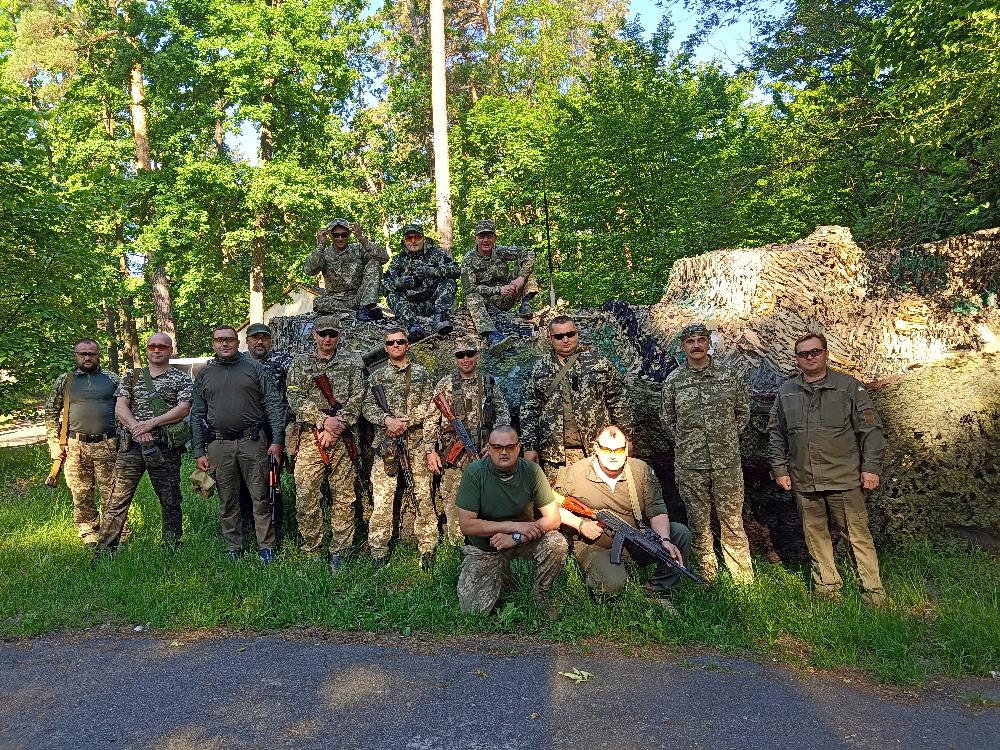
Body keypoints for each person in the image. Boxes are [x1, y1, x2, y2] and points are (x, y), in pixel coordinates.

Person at [767, 332, 887, 606]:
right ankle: (827, 587)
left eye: (815, 352)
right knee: (815, 536)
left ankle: (873, 593)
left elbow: (871, 429)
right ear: (797, 359)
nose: (810, 357)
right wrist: (779, 469)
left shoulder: (848, 387)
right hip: (804, 479)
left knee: (856, 537)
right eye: (803, 353)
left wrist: (871, 467)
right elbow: (776, 434)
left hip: (843, 478)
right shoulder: (787, 391)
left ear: (825, 353)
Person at [556, 426, 692, 608]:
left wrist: (665, 540)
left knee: (680, 533)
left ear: (627, 448)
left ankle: (657, 592)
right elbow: (551, 506)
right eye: (606, 449)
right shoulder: (576, 474)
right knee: (612, 586)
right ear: (596, 448)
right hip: (596, 546)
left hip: (636, 539)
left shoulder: (640, 470)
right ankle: (607, 578)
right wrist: (580, 524)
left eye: (619, 450)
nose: (613, 455)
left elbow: (656, 509)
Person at [660, 323, 754, 585]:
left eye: (701, 340)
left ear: (708, 342)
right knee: (698, 524)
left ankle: (742, 581)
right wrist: (690, 443)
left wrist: (724, 439)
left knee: (733, 523)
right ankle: (706, 577)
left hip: (727, 464)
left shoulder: (728, 376)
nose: (697, 345)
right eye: (691, 341)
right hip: (691, 465)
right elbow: (668, 421)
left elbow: (742, 413)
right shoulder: (674, 382)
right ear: (683, 346)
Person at [191, 325, 285, 564]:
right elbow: (197, 413)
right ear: (213, 344)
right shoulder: (205, 374)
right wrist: (198, 450)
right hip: (218, 444)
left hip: (252, 442)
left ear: (238, 342)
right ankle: (234, 545)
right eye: (219, 340)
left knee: (260, 496)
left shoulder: (255, 368)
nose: (225, 344)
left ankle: (266, 546)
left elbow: (273, 405)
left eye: (229, 340)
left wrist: (276, 441)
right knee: (227, 498)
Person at [456, 426, 568, 620]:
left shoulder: (532, 471)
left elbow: (553, 518)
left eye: (510, 446)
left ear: (519, 447)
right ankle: (505, 575)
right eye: (498, 447)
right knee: (472, 612)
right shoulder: (475, 473)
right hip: (485, 547)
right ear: (488, 449)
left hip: (522, 540)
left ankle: (539, 595)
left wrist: (515, 537)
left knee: (556, 542)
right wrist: (513, 526)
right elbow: (467, 525)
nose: (504, 452)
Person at [96, 333, 193, 552]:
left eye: (162, 346)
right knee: (116, 500)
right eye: (152, 346)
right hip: (132, 447)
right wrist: (136, 429)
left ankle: (172, 549)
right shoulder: (132, 375)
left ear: (170, 350)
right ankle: (104, 551)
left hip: (164, 448)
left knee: (170, 500)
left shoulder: (181, 378)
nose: (156, 350)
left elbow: (183, 409)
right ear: (147, 349)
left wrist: (150, 424)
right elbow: (121, 407)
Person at [285, 314, 366, 574]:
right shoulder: (300, 363)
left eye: (332, 333)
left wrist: (336, 425)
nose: (328, 338)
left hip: (342, 438)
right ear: (314, 335)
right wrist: (322, 421)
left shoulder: (352, 362)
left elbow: (359, 396)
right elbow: (294, 396)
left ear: (339, 336)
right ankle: (312, 549)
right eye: (323, 334)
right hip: (311, 438)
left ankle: (340, 551)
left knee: (344, 497)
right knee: (306, 496)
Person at [521, 315, 633, 485]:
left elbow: (619, 401)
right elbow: (529, 410)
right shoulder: (539, 369)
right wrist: (529, 447)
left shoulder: (599, 363)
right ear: (550, 338)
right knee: (560, 505)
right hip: (556, 456)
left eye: (570, 334)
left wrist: (627, 438)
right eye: (559, 336)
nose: (565, 340)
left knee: (600, 501)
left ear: (577, 334)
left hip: (598, 451)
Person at [361, 327, 438, 569]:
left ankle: (427, 547)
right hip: (387, 445)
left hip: (416, 443)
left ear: (407, 345)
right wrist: (387, 421)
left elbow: (431, 405)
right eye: (391, 342)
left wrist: (405, 421)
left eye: (400, 341)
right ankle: (378, 549)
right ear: (385, 348)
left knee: (422, 497)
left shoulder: (423, 374)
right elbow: (367, 407)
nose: (396, 345)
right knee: (382, 499)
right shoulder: (376, 377)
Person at [424, 335, 511, 542]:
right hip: (454, 454)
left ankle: (487, 543)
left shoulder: (489, 383)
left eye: (470, 354)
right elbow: (431, 419)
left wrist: (496, 446)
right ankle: (456, 545)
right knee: (454, 500)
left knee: (488, 499)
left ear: (477, 356)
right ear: (455, 358)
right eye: (460, 355)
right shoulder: (445, 384)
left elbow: (503, 415)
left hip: (484, 453)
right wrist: (430, 450)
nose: (465, 359)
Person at [44, 339, 120, 547]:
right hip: (74, 445)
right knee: (81, 492)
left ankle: (116, 532)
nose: (87, 357)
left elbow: (125, 408)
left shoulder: (112, 379)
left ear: (98, 355)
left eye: (92, 354)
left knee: (112, 491)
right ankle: (88, 531)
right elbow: (51, 411)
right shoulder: (65, 380)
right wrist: (54, 443)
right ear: (75, 355)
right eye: (82, 354)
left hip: (108, 444)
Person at [240, 322, 294, 545]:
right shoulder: (239, 362)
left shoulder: (283, 362)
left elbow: (295, 389)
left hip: (273, 429)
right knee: (243, 482)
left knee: (271, 481)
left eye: (264, 337)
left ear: (271, 340)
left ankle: (275, 528)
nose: (259, 342)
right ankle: (246, 528)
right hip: (244, 431)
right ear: (247, 341)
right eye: (255, 338)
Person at [460, 219, 539, 348]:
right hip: (486, 304)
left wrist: (521, 278)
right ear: (476, 239)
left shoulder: (501, 251)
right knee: (471, 297)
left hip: (507, 296)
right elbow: (468, 288)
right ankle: (492, 334)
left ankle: (525, 304)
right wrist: (498, 290)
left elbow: (528, 252)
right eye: (481, 236)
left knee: (526, 268)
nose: (486, 240)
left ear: (495, 238)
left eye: (489, 236)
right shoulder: (468, 260)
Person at [382, 223, 460, 340]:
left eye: (417, 237)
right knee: (392, 295)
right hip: (410, 306)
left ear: (423, 238)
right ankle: (413, 327)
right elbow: (384, 287)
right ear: (404, 241)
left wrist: (432, 271)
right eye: (409, 238)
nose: (413, 241)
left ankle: (439, 319)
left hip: (434, 302)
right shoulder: (398, 260)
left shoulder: (436, 253)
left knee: (449, 281)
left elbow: (456, 270)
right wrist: (399, 283)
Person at [305, 218, 389, 320]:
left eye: (344, 234)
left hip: (359, 298)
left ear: (349, 234)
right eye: (336, 235)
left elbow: (384, 258)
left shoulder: (359, 249)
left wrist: (361, 238)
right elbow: (309, 271)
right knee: (318, 303)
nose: (340, 238)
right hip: (335, 299)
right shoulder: (325, 253)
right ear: (330, 235)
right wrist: (320, 245)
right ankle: (358, 312)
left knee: (375, 262)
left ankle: (365, 308)